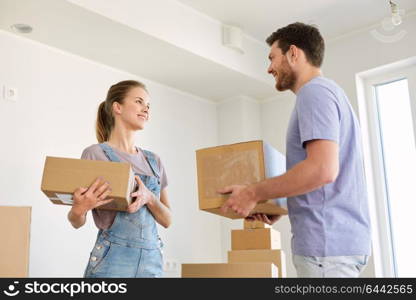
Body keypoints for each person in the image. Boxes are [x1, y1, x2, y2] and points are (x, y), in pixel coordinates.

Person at [218, 22, 371, 278]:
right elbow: (329, 181)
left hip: (325, 250)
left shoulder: (314, 93)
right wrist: (283, 205)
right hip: (337, 245)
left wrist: (252, 193)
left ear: (293, 53)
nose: (269, 68)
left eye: (272, 58)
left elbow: (322, 170)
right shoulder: (330, 93)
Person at [67, 80, 171, 278]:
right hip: (112, 261)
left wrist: (149, 198)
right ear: (117, 107)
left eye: (148, 105)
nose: (146, 109)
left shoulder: (154, 161)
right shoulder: (95, 154)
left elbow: (167, 220)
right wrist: (79, 209)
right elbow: (76, 221)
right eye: (139, 102)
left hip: (151, 262)